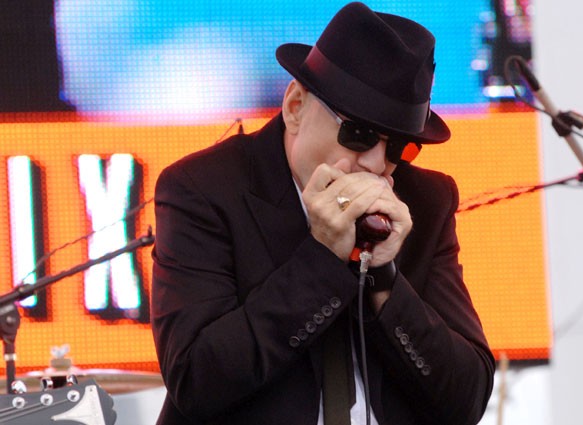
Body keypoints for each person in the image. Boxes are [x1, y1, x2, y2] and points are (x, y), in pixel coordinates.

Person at [151, 2, 495, 424]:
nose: (375, 164)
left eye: (399, 147)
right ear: (296, 107)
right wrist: (323, 257)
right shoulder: (203, 189)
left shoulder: (425, 200)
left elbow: (467, 400)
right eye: (358, 134)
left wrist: (385, 281)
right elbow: (196, 380)